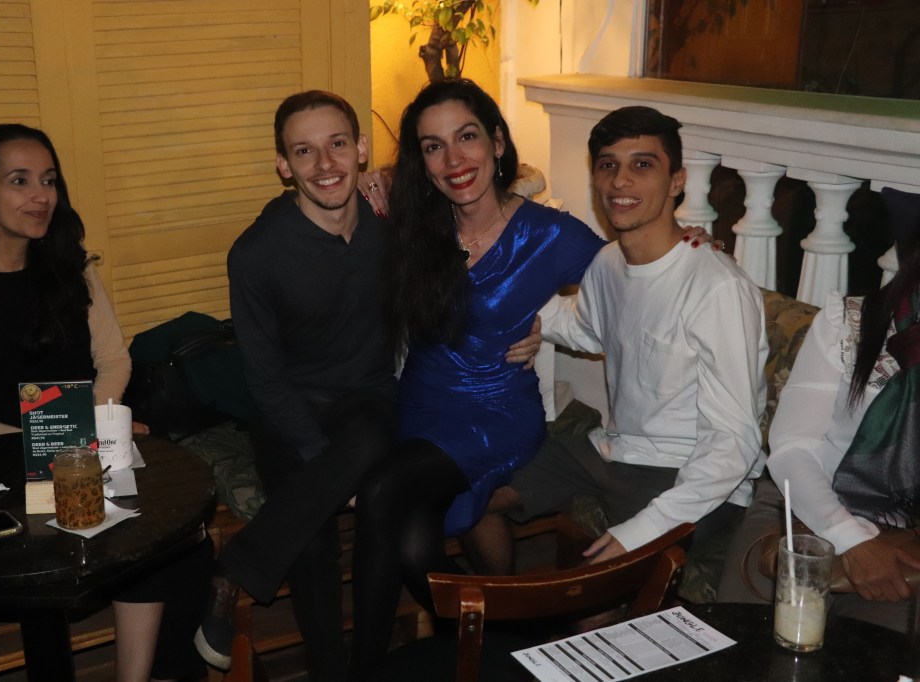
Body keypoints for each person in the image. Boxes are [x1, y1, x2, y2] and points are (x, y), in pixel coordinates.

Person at [194, 90, 543, 679]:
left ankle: (237, 568)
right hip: (287, 410)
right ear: (283, 165)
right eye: (304, 151)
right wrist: (325, 466)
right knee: (311, 538)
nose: (324, 164)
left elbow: (499, 202)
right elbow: (265, 379)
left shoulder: (392, 223)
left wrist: (533, 323)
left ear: (360, 149)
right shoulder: (256, 253)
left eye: (337, 144)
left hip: (369, 402)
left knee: (371, 437)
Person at [0, 123, 212, 682]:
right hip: (5, 467)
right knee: (132, 537)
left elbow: (114, 361)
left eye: (48, 180)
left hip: (90, 450)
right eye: (19, 181)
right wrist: (79, 446)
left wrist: (94, 434)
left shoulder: (73, 267)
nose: (41, 196)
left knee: (179, 537)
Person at [347, 79, 609, 680]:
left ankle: (363, 672)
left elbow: (630, 284)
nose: (453, 159)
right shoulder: (418, 224)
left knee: (383, 490)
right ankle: (515, 635)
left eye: (466, 137)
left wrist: (556, 326)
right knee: (413, 544)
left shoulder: (551, 233)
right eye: (433, 147)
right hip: (421, 406)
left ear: (497, 142)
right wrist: (371, 184)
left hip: (494, 413)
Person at [465, 106, 768, 579]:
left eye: (642, 164)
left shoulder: (718, 289)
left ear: (676, 181)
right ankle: (500, 613)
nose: (620, 181)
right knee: (470, 499)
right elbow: (586, 327)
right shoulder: (608, 262)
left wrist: (643, 530)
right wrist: (512, 304)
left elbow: (734, 443)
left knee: (596, 605)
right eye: (608, 165)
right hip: (610, 449)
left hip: (687, 473)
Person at [718, 212, 920, 633]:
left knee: (877, 655)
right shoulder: (851, 324)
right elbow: (792, 447)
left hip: (902, 541)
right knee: (743, 642)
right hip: (799, 508)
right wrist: (851, 539)